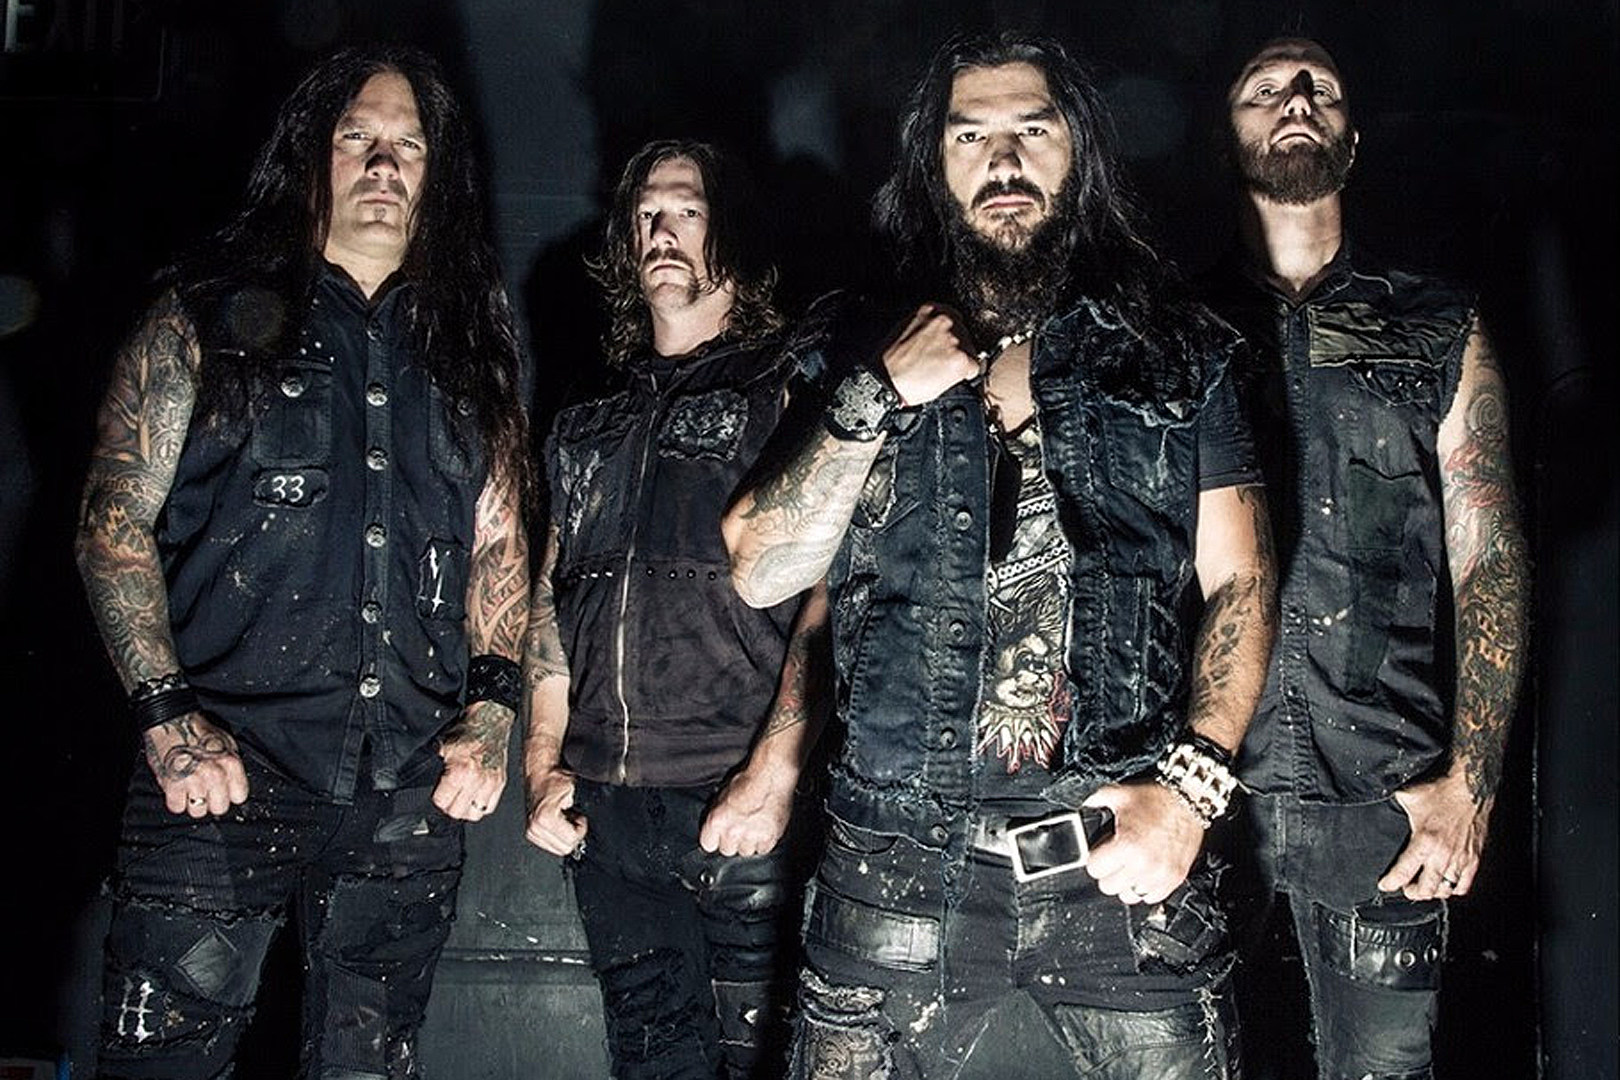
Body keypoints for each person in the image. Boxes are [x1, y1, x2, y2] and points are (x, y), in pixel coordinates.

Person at [722, 31, 1277, 1080]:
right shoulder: (854, 346)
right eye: (970, 135)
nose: (1005, 159)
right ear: (933, 163)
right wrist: (879, 392)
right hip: (895, 860)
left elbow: (1240, 578)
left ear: (1081, 151)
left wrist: (1191, 794)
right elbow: (760, 568)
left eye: (1034, 129)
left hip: (1122, 849)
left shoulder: (1176, 351)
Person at [74, 45, 530, 1077]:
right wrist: (166, 718)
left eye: (409, 145)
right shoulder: (199, 313)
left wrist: (494, 711)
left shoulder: (470, 345)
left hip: (405, 783)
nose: (384, 164)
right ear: (309, 155)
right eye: (357, 138)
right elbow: (112, 521)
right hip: (222, 774)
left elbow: (503, 538)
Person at [1204, 37, 1530, 1080]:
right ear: (1229, 133)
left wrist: (1470, 784)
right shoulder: (1176, 323)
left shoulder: (1434, 323)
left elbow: (1488, 557)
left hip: (1387, 801)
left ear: (1352, 138)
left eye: (1322, 89)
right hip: (1207, 799)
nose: (1296, 100)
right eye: (1265, 89)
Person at [522, 139, 828, 1079]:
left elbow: (834, 592)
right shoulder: (589, 410)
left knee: (770, 1059)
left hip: (740, 803)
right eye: (646, 214)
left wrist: (775, 772)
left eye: (687, 211)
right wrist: (541, 761)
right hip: (610, 815)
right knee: (651, 1062)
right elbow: (549, 591)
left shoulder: (790, 384)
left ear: (730, 231)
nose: (662, 231)